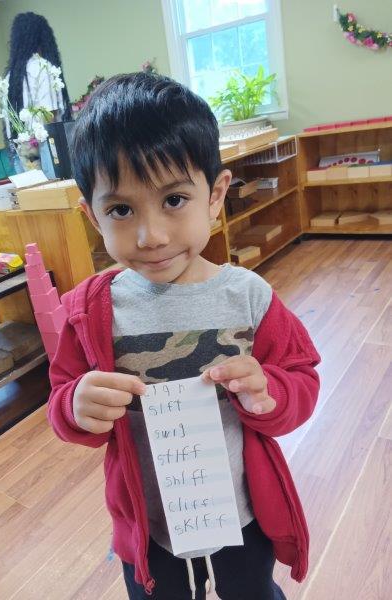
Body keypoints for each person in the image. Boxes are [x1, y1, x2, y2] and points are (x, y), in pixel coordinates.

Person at [47, 73, 321, 600]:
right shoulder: (89, 310)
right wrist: (77, 406)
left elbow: (301, 377)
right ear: (92, 216)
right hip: (148, 524)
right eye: (121, 210)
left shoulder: (248, 297)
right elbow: (62, 397)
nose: (151, 236)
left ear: (215, 195)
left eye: (174, 199)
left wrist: (270, 392)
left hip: (242, 513)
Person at [4, 11, 71, 176]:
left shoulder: (10, 77)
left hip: (20, 153)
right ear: (42, 38)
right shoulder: (42, 67)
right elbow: (50, 115)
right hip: (47, 150)